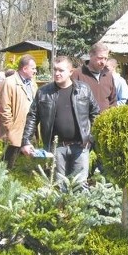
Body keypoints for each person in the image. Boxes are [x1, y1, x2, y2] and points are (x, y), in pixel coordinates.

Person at [21, 56, 100, 188]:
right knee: (59, 187)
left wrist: (91, 138)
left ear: (71, 72)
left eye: (61, 70)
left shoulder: (83, 90)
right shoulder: (43, 92)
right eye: (55, 70)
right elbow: (32, 117)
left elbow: (96, 114)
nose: (57, 73)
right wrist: (26, 141)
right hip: (56, 148)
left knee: (80, 187)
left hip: (81, 147)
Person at [0, 54, 38, 169]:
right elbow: (4, 108)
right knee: (8, 164)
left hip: (29, 129)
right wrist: (10, 128)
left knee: (27, 164)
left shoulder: (33, 84)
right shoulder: (9, 82)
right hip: (14, 131)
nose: (35, 71)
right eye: (33, 68)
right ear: (25, 69)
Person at [71, 42, 116, 111]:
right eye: (100, 58)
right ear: (91, 55)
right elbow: (70, 100)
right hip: (85, 120)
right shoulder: (77, 74)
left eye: (105, 59)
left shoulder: (108, 75)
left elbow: (113, 101)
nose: (103, 62)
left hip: (105, 120)